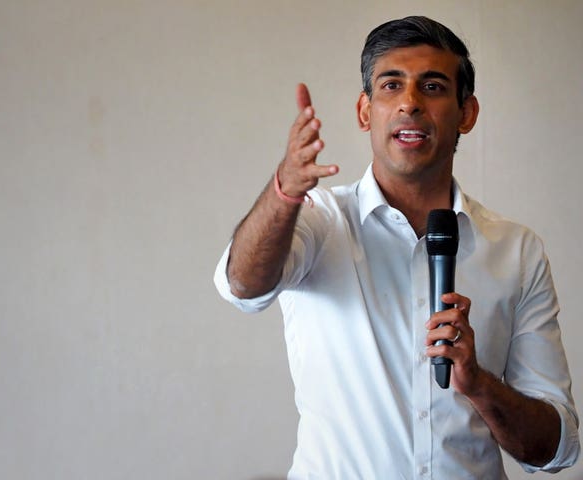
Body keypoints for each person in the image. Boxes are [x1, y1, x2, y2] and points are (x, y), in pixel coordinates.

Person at [214, 16, 579, 479]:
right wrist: (284, 190)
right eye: (391, 85)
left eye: (432, 86)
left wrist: (480, 385)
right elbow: (242, 285)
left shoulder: (516, 250)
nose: (409, 103)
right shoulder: (317, 219)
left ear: (467, 113)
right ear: (365, 111)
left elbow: (555, 448)